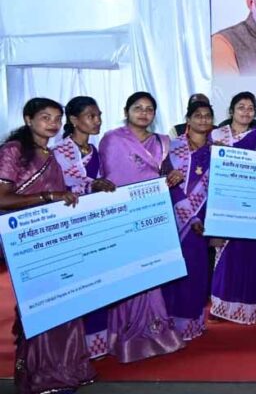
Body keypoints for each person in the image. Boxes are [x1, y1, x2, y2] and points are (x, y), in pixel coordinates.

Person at [0, 98, 96, 394]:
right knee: (41, 306)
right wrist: (48, 197)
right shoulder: (14, 151)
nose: (53, 123)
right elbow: (2, 197)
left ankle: (67, 369)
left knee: (65, 302)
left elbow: (63, 194)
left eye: (57, 118)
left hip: (54, 238)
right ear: (28, 119)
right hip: (26, 241)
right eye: (45, 117)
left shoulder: (50, 154)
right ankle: (43, 374)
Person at [99, 91, 185, 362]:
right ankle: (123, 337)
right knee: (125, 275)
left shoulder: (161, 142)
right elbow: (104, 177)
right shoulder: (111, 140)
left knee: (150, 273)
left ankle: (154, 332)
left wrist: (173, 174)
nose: (144, 113)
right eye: (138, 108)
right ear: (127, 111)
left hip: (151, 215)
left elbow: (165, 171)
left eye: (149, 109)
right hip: (120, 217)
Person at [53, 96, 117, 359]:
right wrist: (93, 185)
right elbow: (66, 184)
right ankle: (71, 346)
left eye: (99, 115)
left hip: (94, 224)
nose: (97, 120)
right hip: (70, 225)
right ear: (74, 119)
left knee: (97, 282)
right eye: (91, 116)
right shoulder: (60, 151)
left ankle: (96, 343)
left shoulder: (96, 150)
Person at [210, 92, 256, 323]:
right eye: (241, 107)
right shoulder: (216, 135)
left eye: (250, 108)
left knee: (252, 255)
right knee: (228, 255)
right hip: (224, 203)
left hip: (252, 206)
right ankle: (222, 307)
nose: (246, 112)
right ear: (231, 111)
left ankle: (250, 307)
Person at [160, 100, 214, 341]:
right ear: (188, 119)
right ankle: (169, 324)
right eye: (197, 115)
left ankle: (191, 323)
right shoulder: (172, 147)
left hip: (204, 217)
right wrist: (188, 216)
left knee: (196, 270)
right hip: (174, 217)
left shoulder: (217, 151)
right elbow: (166, 181)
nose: (203, 119)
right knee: (174, 270)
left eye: (207, 115)